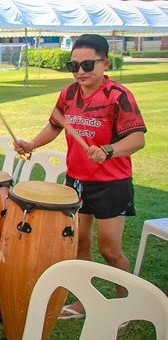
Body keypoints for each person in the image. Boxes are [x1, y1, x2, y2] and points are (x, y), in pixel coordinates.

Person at [12, 34, 146, 322]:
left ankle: (126, 302)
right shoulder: (68, 94)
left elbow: (136, 139)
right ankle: (85, 301)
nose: (81, 71)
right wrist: (32, 145)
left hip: (111, 183)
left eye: (87, 64)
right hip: (76, 181)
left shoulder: (118, 96)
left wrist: (109, 150)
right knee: (79, 245)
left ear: (104, 62)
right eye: (74, 65)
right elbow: (54, 125)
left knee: (109, 250)